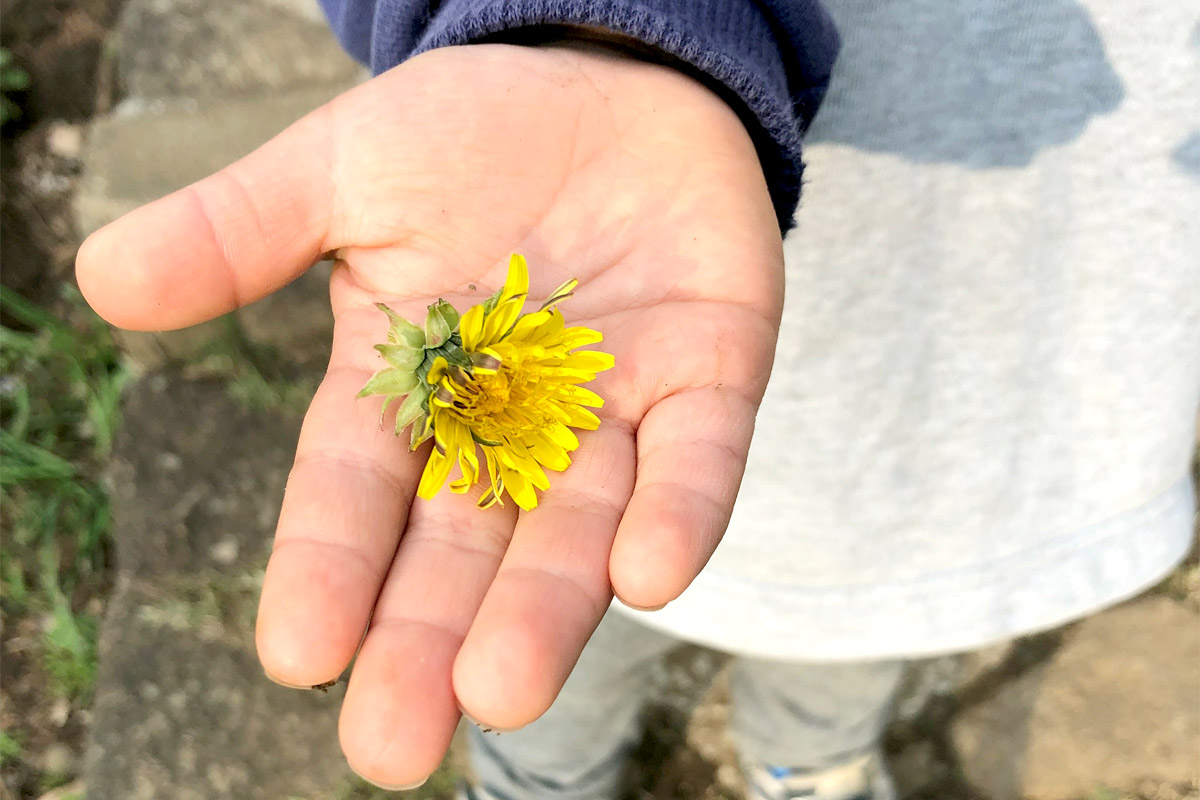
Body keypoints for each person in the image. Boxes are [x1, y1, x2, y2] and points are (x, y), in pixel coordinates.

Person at [75, 0, 1199, 798]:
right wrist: (596, 21)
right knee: (548, 646)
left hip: (1049, 333)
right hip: (642, 320)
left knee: (873, 623)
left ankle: (811, 761)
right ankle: (537, 775)